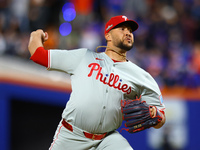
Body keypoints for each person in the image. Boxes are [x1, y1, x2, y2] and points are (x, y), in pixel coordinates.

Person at [28, 15, 166, 150]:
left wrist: (155, 113)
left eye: (130, 30)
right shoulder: (83, 57)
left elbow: (161, 117)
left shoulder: (142, 76)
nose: (128, 33)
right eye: (122, 29)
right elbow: (37, 55)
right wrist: (36, 35)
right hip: (71, 136)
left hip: (107, 140)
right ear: (108, 36)